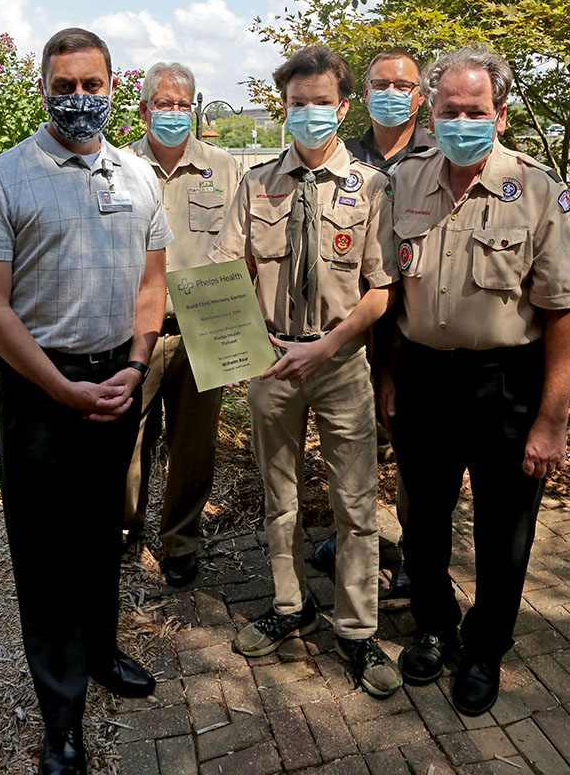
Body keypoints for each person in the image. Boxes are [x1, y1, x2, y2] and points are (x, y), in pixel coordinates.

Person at [0, 28, 172, 774]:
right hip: (40, 394)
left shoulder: (138, 175)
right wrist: (62, 387)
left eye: (93, 85)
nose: (80, 99)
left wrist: (136, 366)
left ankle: (102, 651)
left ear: (114, 86)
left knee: (101, 533)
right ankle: (61, 710)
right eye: (65, 85)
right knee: (44, 554)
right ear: (43, 86)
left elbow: (151, 286)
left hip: (117, 383)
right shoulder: (3, 175)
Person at [383, 45, 570, 716]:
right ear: (431, 113)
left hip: (506, 384)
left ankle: (485, 647)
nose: (461, 120)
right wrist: (387, 378)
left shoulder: (536, 190)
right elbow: (387, 293)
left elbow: (563, 308)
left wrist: (552, 418)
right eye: (449, 110)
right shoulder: (404, 182)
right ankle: (438, 628)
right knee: (425, 524)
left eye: (475, 110)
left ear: (499, 114)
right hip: (422, 380)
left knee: (505, 533)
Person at [209, 45, 402, 698]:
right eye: (298, 104)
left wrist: (326, 347)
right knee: (280, 499)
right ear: (283, 108)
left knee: (354, 504)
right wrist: (243, 350)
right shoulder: (256, 182)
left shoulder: (373, 188)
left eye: (323, 103)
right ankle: (290, 608)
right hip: (271, 363)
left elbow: (382, 289)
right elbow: (227, 273)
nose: (310, 114)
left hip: (340, 360)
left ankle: (356, 630)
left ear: (343, 107)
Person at [313, 47, 436, 596]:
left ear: (421, 95)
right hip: (352, 326)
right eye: (380, 84)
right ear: (362, 94)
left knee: (413, 442)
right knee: (353, 445)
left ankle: (415, 550)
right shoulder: (343, 154)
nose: (392, 93)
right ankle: (351, 536)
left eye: (403, 84)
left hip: (417, 326)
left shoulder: (440, 155)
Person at [123, 62, 241, 586]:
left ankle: (181, 541)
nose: (172, 112)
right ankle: (126, 531)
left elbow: (245, 248)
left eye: (181, 104)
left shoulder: (224, 166)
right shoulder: (119, 167)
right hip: (137, 327)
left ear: (193, 107)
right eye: (162, 103)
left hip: (207, 323)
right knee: (128, 439)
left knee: (194, 445)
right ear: (145, 107)